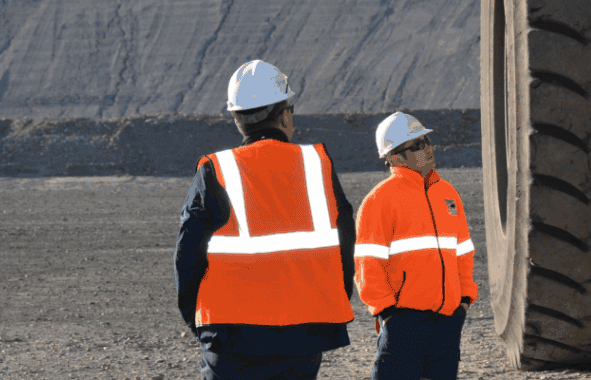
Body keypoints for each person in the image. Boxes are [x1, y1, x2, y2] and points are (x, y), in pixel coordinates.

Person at [174, 60, 356, 380]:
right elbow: (345, 244)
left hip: (231, 338)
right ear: (284, 114)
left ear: (238, 120)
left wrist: (200, 322)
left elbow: (187, 256)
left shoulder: (215, 169)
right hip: (305, 335)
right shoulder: (317, 165)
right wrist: (326, 306)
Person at [354, 111, 478, 380]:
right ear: (395, 156)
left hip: (447, 323)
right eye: (418, 145)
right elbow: (368, 266)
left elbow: (464, 252)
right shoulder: (379, 201)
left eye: (427, 141)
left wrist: (465, 302)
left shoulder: (448, 193)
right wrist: (388, 315)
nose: (428, 148)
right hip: (403, 325)